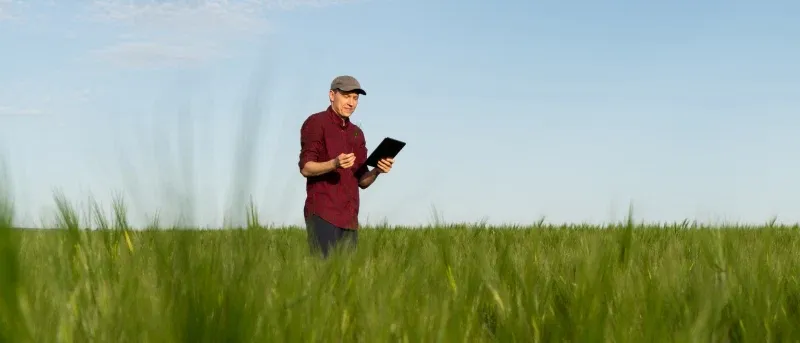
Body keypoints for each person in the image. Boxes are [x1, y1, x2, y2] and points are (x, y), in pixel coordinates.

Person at [297, 75, 394, 257]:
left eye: (355, 98)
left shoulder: (357, 134)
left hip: (350, 219)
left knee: (347, 282)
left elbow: (362, 181)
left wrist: (377, 170)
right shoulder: (316, 123)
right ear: (332, 95)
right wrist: (334, 163)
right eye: (346, 96)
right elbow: (306, 168)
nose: (351, 102)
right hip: (323, 215)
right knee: (324, 278)